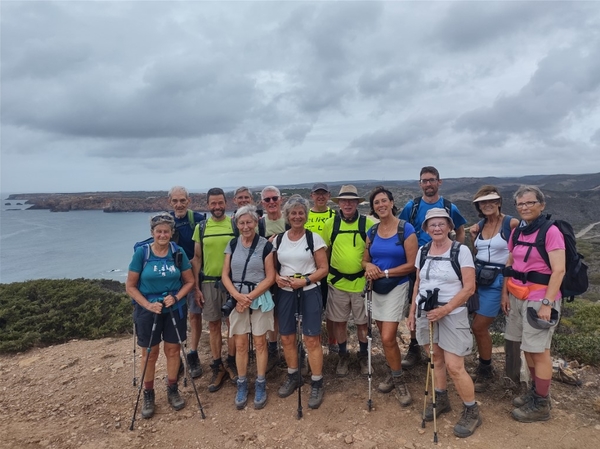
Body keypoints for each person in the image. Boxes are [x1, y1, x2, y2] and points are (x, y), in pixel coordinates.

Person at [407, 208, 480, 438]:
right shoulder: (423, 250)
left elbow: (469, 287)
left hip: (452, 312)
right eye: (432, 225)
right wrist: (412, 312)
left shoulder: (462, 251)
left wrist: (446, 309)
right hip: (426, 311)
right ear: (426, 229)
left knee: (455, 365)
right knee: (435, 358)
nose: (436, 228)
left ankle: (472, 410)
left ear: (449, 226)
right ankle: (442, 398)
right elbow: (418, 283)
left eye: (441, 224)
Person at [502, 186, 565, 423]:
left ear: (542, 204)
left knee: (540, 352)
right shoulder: (518, 231)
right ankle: (535, 393)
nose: (525, 207)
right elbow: (510, 261)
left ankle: (541, 403)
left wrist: (547, 304)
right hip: (518, 295)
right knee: (528, 348)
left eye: (530, 203)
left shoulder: (551, 232)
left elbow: (559, 269)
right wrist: (505, 292)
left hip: (540, 298)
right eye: (520, 204)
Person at [126, 213, 195, 419]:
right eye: (159, 231)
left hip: (174, 308)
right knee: (149, 353)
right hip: (148, 310)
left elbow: (189, 282)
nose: (163, 235)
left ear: (171, 233)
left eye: (166, 231)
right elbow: (130, 286)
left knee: (173, 351)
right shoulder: (142, 253)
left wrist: (176, 297)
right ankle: (149, 393)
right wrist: (147, 304)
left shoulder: (178, 252)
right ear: (152, 233)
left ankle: (172, 389)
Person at [399, 166, 467, 368]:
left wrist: (456, 255)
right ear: (420, 184)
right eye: (424, 180)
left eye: (431, 180)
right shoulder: (412, 206)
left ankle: (444, 348)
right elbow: (401, 229)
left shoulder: (448, 207)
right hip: (417, 264)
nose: (428, 184)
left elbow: (461, 230)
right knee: (416, 305)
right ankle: (415, 346)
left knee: (444, 304)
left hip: (445, 265)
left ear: (439, 182)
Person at [361, 187, 417, 408]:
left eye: (384, 201)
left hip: (397, 285)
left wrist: (384, 272)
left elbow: (412, 265)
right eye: (377, 203)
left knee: (386, 337)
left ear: (392, 203)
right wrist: (370, 266)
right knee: (386, 339)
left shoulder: (406, 229)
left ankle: (399, 380)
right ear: (373, 207)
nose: (381, 205)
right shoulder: (372, 232)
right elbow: (364, 261)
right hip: (376, 287)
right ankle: (395, 373)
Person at [274, 195, 329, 409]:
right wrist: (278, 278)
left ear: (306, 216)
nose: (297, 216)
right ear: (287, 216)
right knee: (287, 337)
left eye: (300, 213)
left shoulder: (313, 239)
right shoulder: (278, 239)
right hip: (286, 292)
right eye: (293, 213)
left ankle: (317, 381)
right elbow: (273, 268)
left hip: (309, 291)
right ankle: (293, 375)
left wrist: (304, 280)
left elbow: (324, 269)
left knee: (311, 338)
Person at [221, 206, 276, 410]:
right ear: (237, 224)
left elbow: (270, 277)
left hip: (259, 299)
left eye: (249, 222)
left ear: (256, 223)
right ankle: (243, 383)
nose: (246, 227)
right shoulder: (232, 244)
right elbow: (225, 274)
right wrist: (237, 296)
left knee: (260, 343)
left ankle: (261, 382)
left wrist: (249, 297)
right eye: (242, 223)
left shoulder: (265, 246)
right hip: (237, 299)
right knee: (241, 344)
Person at [469, 186, 519, 392]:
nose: (487, 205)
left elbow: (514, 258)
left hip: (499, 281)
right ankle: (485, 365)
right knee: (477, 326)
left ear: (499, 202)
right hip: (479, 280)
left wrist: (505, 292)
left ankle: (487, 369)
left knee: (479, 326)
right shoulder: (480, 226)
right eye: (483, 202)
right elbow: (478, 252)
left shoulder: (512, 224)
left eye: (491, 200)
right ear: (478, 206)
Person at [323, 185, 375, 376]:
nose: (347, 204)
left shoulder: (367, 224)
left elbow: (374, 250)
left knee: (362, 323)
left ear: (356, 203)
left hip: (361, 283)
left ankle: (363, 356)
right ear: (339, 203)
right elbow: (325, 251)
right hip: (337, 282)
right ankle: (343, 356)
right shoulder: (331, 224)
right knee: (339, 322)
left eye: (351, 201)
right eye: (343, 200)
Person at [192, 188, 238, 392]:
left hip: (233, 283)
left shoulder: (235, 225)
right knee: (213, 326)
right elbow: (197, 260)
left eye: (220, 203)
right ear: (208, 205)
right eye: (213, 203)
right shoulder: (201, 227)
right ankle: (217, 366)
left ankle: (232, 362)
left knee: (233, 326)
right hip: (209, 283)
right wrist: (196, 288)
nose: (217, 207)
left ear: (226, 203)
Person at [168, 186, 207, 379]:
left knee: (194, 315)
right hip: (173, 276)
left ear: (188, 201)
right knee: (175, 315)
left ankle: (192, 352)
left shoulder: (198, 220)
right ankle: (177, 355)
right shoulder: (167, 221)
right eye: (175, 201)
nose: (179, 204)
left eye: (182, 200)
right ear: (170, 202)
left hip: (194, 274)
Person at [305, 183, 338, 354]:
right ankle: (314, 343)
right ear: (312, 196)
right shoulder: (305, 215)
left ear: (329, 195)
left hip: (329, 270)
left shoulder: (335, 215)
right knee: (312, 310)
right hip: (307, 271)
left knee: (331, 311)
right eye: (317, 194)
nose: (320, 197)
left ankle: (332, 343)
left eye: (323, 194)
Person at [259, 186, 289, 372]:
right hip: (266, 276)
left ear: (281, 199)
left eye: (274, 198)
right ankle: (272, 350)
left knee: (285, 313)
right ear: (262, 203)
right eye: (267, 200)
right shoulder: (259, 225)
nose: (271, 202)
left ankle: (289, 350)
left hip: (288, 275)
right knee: (269, 313)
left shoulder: (289, 221)